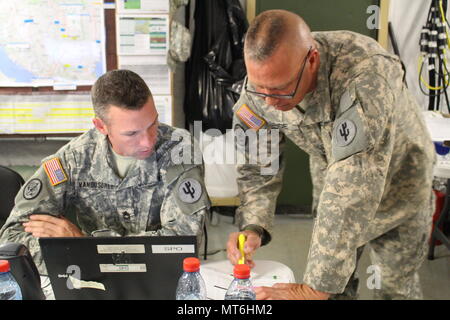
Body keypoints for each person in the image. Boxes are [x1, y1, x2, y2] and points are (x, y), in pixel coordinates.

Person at [226, 10, 436, 300]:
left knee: (393, 289)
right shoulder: (261, 90)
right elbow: (257, 162)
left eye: (281, 90)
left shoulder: (365, 72)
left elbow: (355, 182)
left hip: (400, 186)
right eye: (260, 89)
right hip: (334, 183)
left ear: (311, 60)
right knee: (337, 286)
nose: (270, 101)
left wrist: (315, 287)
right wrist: (253, 225)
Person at [0, 69, 210, 275]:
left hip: (159, 279)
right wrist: (89, 256)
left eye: (152, 123)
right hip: (93, 282)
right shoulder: (74, 159)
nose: (148, 141)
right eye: (132, 133)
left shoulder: (179, 150)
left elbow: (183, 244)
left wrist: (84, 248)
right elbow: (11, 240)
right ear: (101, 126)